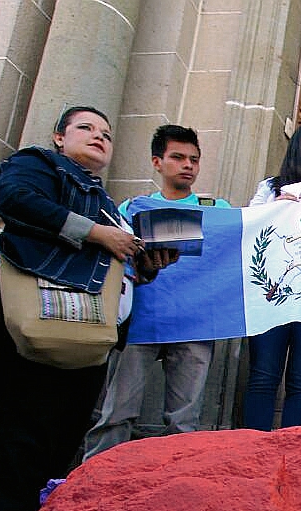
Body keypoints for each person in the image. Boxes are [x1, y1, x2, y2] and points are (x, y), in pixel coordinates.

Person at [0, 106, 175, 511]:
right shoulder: (38, 164)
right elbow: (15, 199)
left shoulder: (108, 205)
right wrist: (99, 234)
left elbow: (105, 269)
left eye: (106, 133)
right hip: (26, 316)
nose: (99, 137)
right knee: (11, 440)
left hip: (83, 333)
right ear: (59, 138)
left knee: (57, 449)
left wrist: (144, 263)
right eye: (86, 128)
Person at [83, 125, 231, 459]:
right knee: (115, 412)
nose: (187, 165)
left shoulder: (218, 209)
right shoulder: (131, 208)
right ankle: (96, 482)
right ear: (157, 162)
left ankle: (179, 486)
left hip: (195, 322)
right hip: (140, 319)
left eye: (194, 159)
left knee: (185, 420)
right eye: (177, 157)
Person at [241, 121, 301, 430]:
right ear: (297, 149)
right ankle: (254, 451)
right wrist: (276, 207)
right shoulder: (270, 187)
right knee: (263, 375)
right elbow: (248, 225)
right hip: (273, 295)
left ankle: (292, 450)